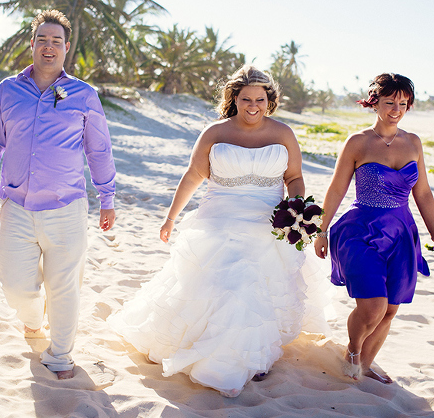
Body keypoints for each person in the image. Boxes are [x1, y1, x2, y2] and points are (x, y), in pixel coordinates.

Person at [108, 65, 328, 397]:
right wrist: (170, 218)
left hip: (268, 221)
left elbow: (294, 178)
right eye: (245, 99)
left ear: (270, 100)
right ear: (234, 99)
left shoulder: (284, 133)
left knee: (256, 289)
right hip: (219, 219)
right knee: (228, 284)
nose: (253, 106)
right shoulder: (215, 132)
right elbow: (193, 176)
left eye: (260, 99)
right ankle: (227, 357)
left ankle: (252, 356)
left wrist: (296, 207)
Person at [0, 9, 116, 380]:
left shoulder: (84, 95)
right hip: (16, 206)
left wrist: (107, 198)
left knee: (65, 285)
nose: (48, 47)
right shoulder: (7, 90)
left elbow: (98, 150)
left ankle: (61, 356)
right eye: (42, 40)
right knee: (13, 282)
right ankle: (33, 320)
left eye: (56, 41)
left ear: (66, 48)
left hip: (67, 206)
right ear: (32, 44)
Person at [313, 73, 434, 384]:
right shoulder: (358, 142)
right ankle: (354, 351)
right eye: (389, 102)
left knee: (390, 310)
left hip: (401, 234)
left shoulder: (413, 143)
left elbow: (423, 193)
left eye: (403, 103)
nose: (396, 109)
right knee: (373, 307)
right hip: (361, 231)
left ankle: (367, 365)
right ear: (375, 102)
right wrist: (321, 229)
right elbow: (336, 189)